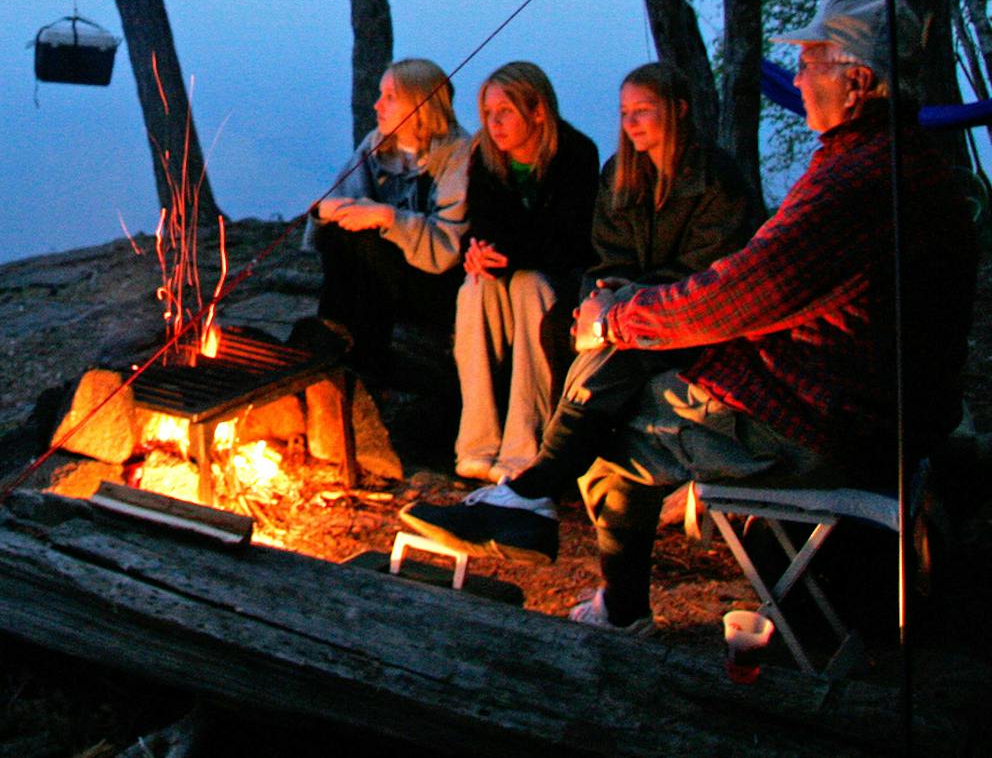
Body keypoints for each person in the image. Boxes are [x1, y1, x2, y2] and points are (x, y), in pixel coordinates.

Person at [409, 0, 977, 634]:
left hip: (832, 418)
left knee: (615, 431)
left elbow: (742, 289)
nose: (798, 79)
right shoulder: (890, 161)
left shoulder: (858, 182)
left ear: (857, 82)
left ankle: (608, 592)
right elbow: (724, 275)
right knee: (623, 350)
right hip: (854, 392)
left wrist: (618, 317)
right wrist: (622, 304)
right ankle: (530, 496)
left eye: (810, 62)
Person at [402, 61, 759, 558]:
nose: (631, 123)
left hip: (688, 316)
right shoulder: (622, 173)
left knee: (588, 333)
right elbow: (606, 255)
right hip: (628, 305)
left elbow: (706, 271)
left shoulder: (716, 180)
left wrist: (619, 302)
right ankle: (502, 468)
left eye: (643, 111)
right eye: (625, 113)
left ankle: (531, 485)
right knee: (500, 298)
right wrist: (599, 295)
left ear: (678, 111)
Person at [449, 61, 600, 481]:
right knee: (474, 288)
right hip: (508, 271)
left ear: (537, 111)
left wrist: (507, 251)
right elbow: (481, 223)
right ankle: (477, 444)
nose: (494, 124)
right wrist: (476, 252)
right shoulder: (485, 156)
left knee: (527, 286)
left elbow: (568, 239)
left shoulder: (576, 154)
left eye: (505, 112)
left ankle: (523, 449)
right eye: (488, 113)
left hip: (561, 279)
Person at [311, 58, 473, 375]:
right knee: (339, 234)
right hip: (384, 275)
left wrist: (388, 218)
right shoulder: (378, 145)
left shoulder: (459, 155)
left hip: (437, 285)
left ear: (421, 106)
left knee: (369, 243)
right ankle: (328, 342)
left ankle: (368, 363)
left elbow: (447, 247)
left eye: (390, 97)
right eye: (379, 95)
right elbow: (342, 201)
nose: (377, 105)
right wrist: (323, 211)